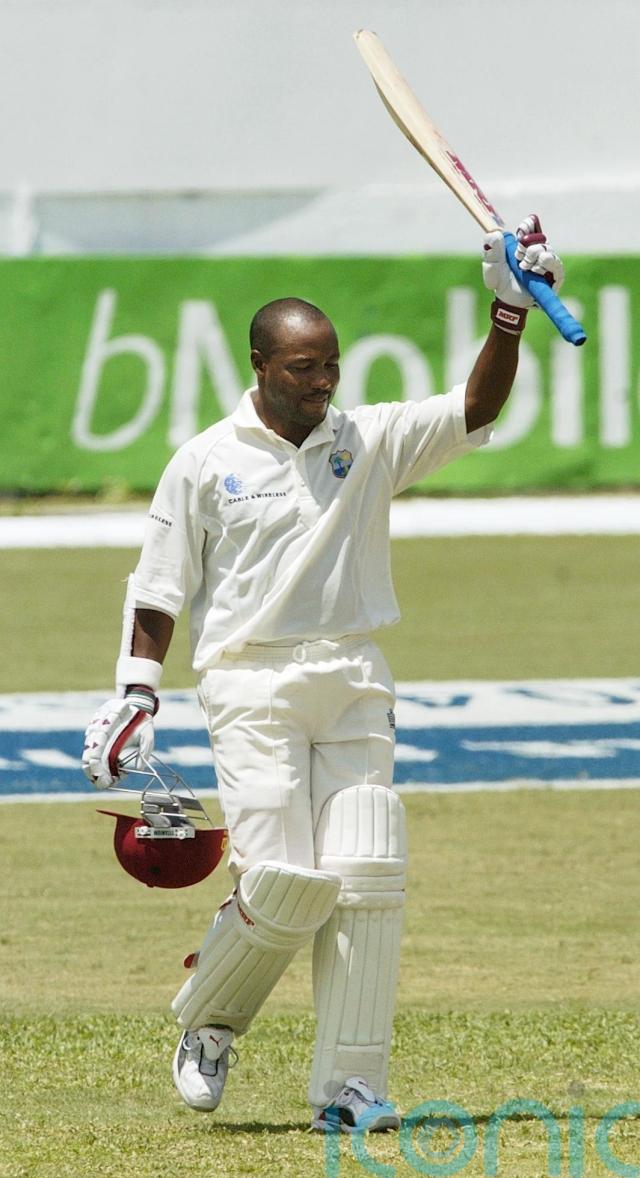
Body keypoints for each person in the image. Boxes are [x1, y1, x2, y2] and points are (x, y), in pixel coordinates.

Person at [83, 219, 564, 1133]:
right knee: (283, 885)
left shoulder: (367, 440)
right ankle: (209, 1021)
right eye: (304, 367)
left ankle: (349, 1089)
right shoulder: (206, 461)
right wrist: (136, 690)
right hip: (250, 683)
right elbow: (159, 587)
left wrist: (509, 312)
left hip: (352, 674)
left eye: (332, 364)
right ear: (260, 366)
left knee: (365, 873)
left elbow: (474, 408)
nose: (323, 380)